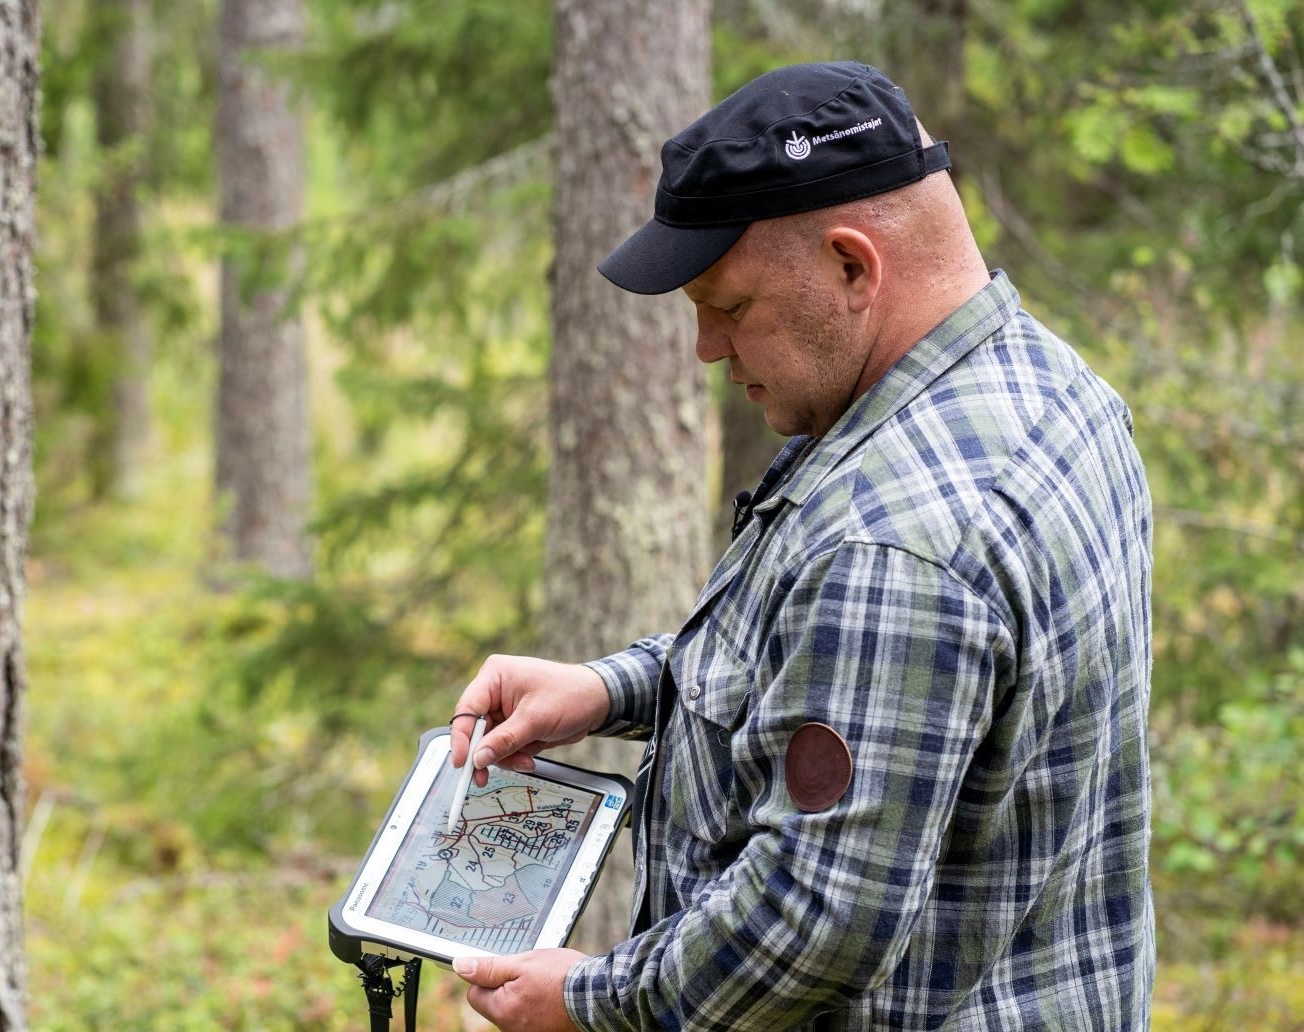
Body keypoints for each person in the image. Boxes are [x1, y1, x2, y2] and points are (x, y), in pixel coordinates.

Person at [447, 61, 1154, 1031]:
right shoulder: (1050, 393)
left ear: (854, 267)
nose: (705, 346)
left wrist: (587, 999)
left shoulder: (893, 544)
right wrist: (610, 689)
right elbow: (821, 666)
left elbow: (810, 920)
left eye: (729, 306)